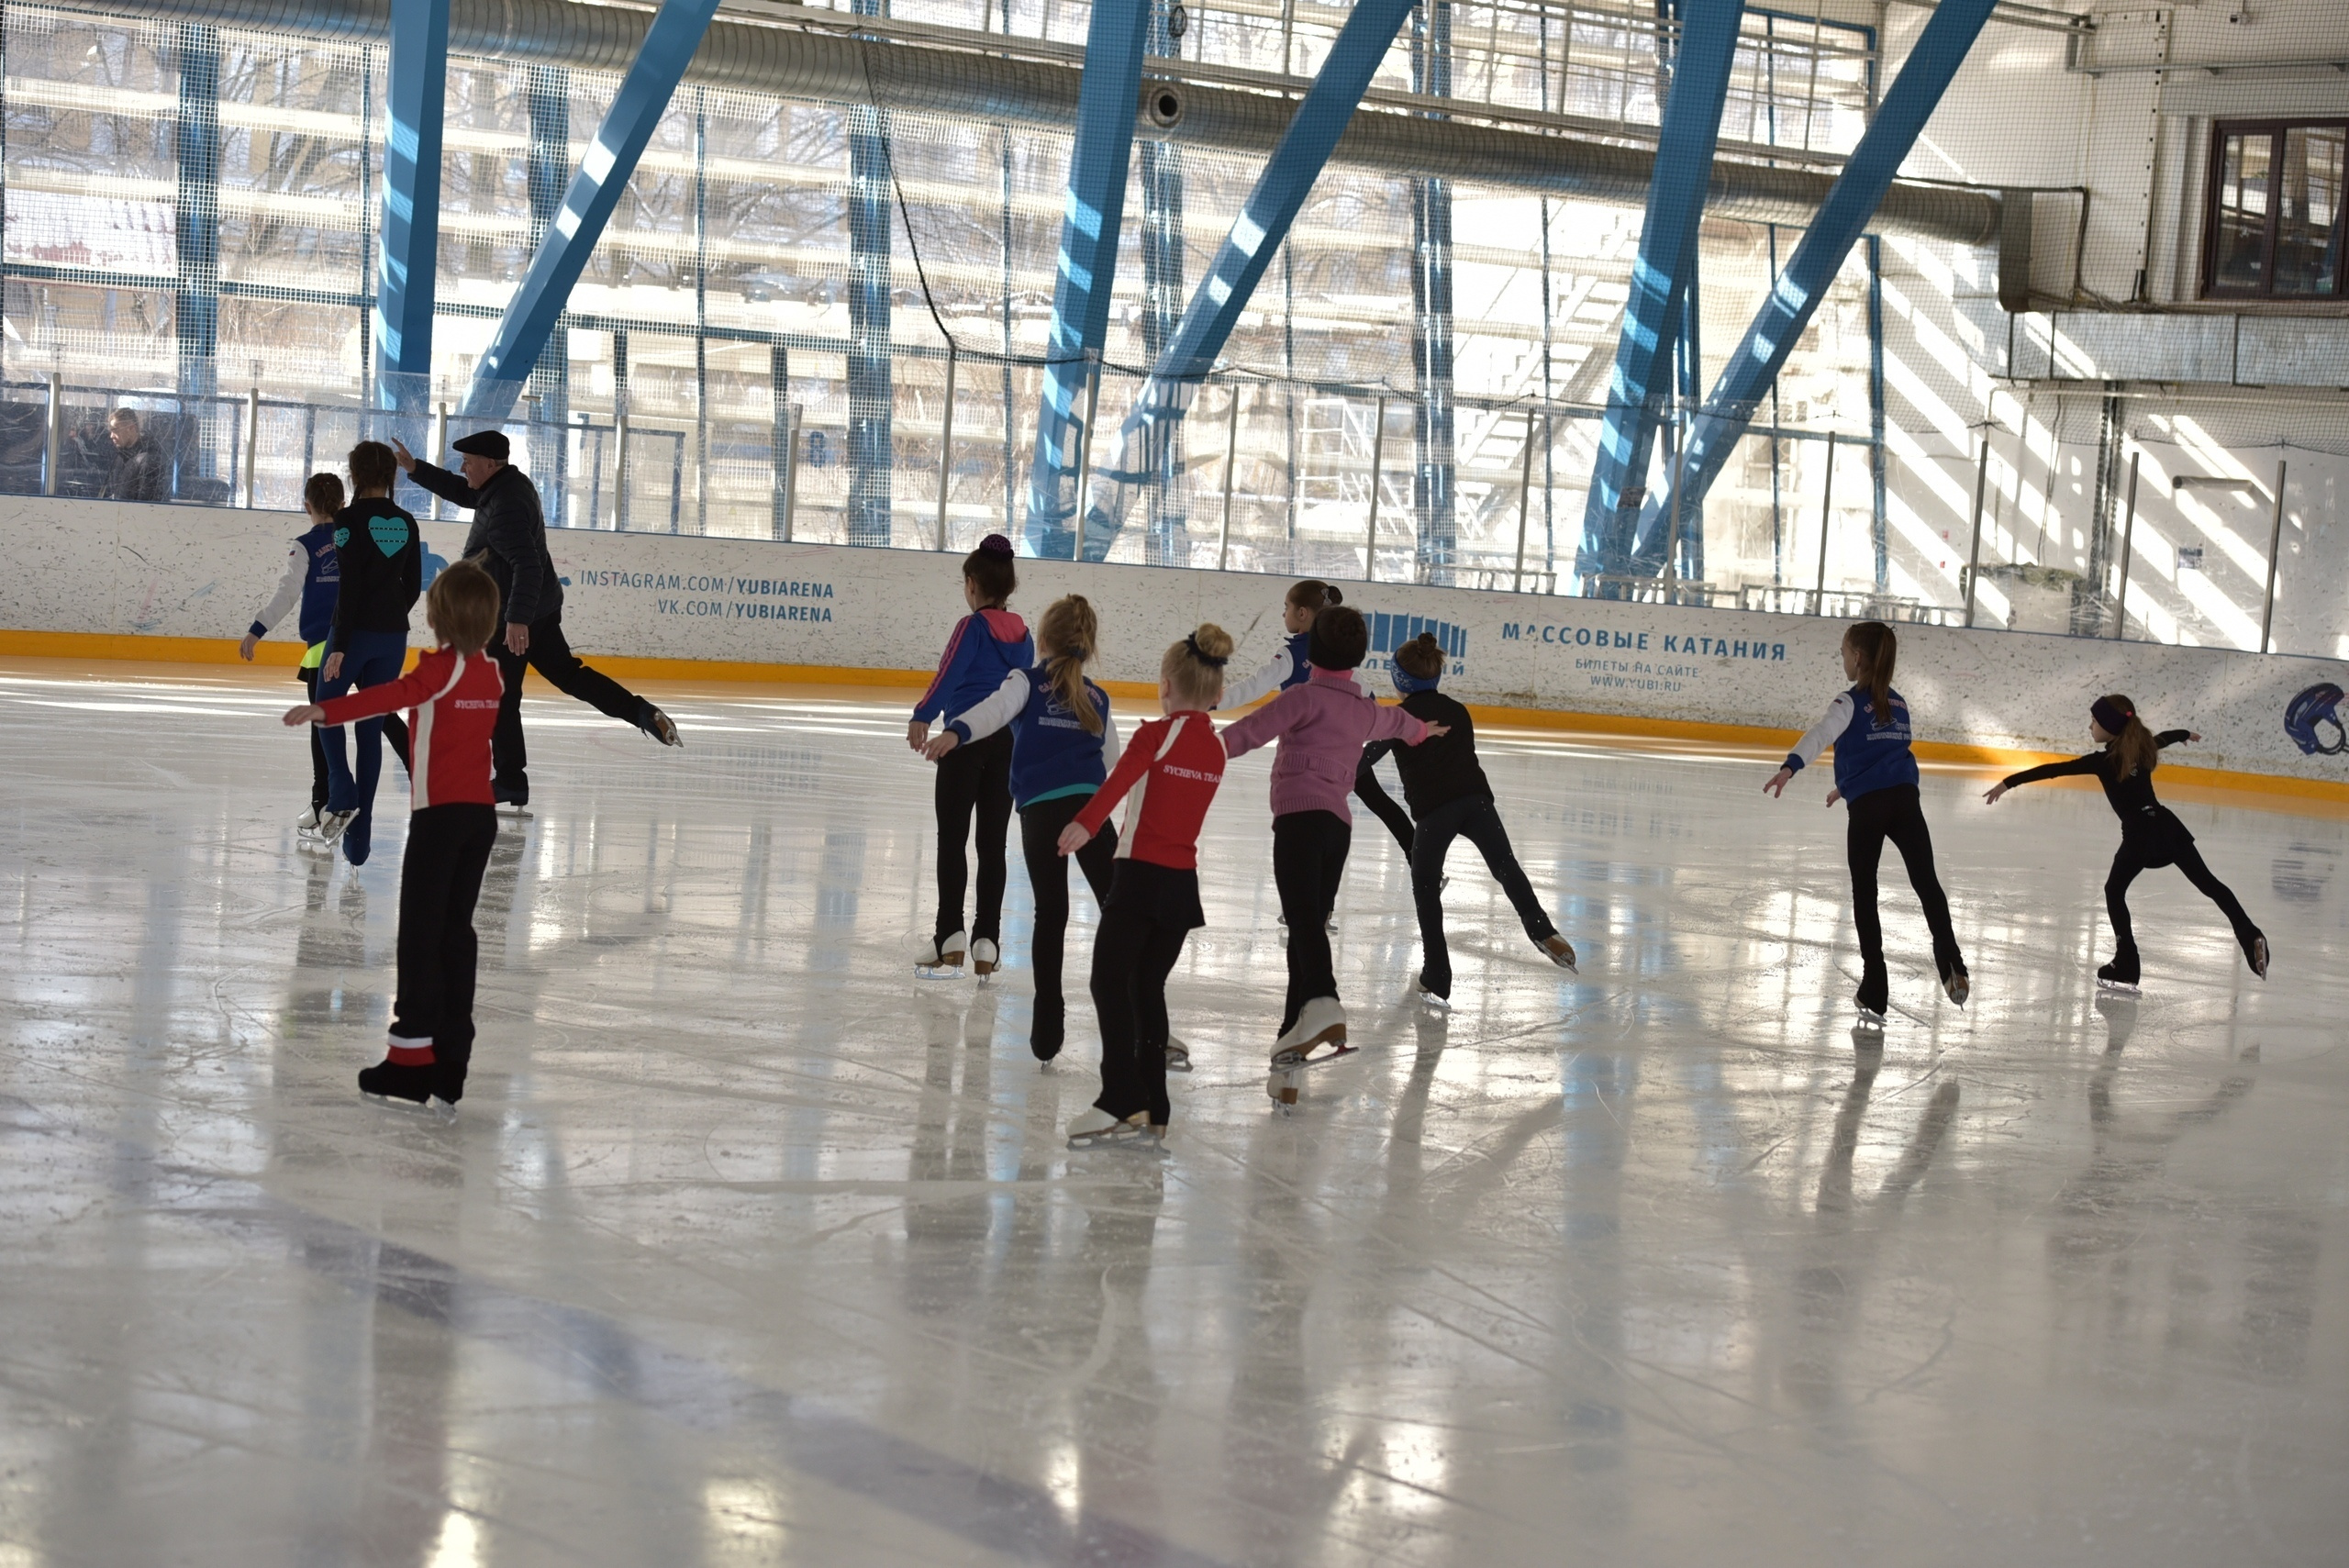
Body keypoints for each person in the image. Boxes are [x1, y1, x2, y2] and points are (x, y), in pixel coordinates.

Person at [282, 559, 506, 1112]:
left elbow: (385, 697)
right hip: (479, 819)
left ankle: (409, 1061)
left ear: (436, 616)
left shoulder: (442, 670)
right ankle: (452, 1060)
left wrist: (324, 709)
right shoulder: (490, 674)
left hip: (440, 820)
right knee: (456, 936)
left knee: (419, 939)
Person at [392, 428, 680, 806]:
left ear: (490, 464)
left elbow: (526, 563)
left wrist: (516, 620)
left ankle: (511, 780)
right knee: (568, 675)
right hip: (537, 608)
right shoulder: (507, 484)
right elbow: (465, 493)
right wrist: (417, 469)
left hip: (515, 614)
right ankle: (639, 711)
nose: (463, 468)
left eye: (469, 462)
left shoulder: (506, 506)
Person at [1219, 605, 1442, 1073]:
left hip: (1299, 821)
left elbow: (1245, 735)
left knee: (1302, 924)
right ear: (1359, 656)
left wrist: (1193, 747)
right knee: (1308, 928)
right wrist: (1424, 730)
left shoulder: (1301, 697)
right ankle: (1290, 1039)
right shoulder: (1363, 709)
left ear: (1311, 650)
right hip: (1336, 829)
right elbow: (1398, 723)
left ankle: (1324, 1000)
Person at [1055, 624, 1235, 1149]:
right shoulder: (1217, 750)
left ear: (1164, 685)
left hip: (1137, 879)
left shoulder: (1157, 735)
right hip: (1181, 889)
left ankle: (1119, 1099)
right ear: (1219, 693)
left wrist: (1085, 824)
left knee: (1108, 984)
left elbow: (1117, 783)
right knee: (1145, 988)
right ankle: (1155, 1106)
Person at [924, 594, 1120, 1062]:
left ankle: (1049, 1023)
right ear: (1087, 645)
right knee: (1118, 909)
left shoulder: (1025, 681)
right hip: (1092, 813)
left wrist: (957, 732)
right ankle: (1128, 1008)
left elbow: (992, 710)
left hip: (1045, 814)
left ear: (1043, 638)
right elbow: (1111, 761)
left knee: (1052, 915)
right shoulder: (1097, 696)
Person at [1984, 695, 2267, 989]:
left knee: (2113, 891)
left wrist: (2007, 783)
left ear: (2110, 726)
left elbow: (2054, 770)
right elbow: (2163, 738)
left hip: (2139, 834)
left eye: (2094, 721)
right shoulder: (2142, 748)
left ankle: (2127, 963)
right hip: (2167, 825)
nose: (2090, 726)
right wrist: (2184, 735)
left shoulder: (2104, 761)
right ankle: (2250, 934)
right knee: (2210, 884)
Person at [1764, 620, 1969, 1026]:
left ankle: (1876, 987)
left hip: (1870, 810)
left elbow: (1822, 734)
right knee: (1927, 883)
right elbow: (1887, 756)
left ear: (1858, 657)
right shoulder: (1900, 703)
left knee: (1865, 893)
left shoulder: (1848, 702)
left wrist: (1791, 766)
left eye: (1844, 653)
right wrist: (1848, 786)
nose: (1842, 660)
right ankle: (1952, 962)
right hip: (1905, 802)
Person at [1369, 631, 1577, 1006]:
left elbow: (1362, 763)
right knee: (1505, 865)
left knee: (1426, 887)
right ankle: (1541, 927)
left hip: (1435, 813)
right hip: (1477, 801)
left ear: (1399, 679)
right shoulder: (1458, 710)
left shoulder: (1397, 718)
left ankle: (1437, 973)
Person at [906, 535, 1032, 973]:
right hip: (1008, 747)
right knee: (992, 846)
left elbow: (950, 673)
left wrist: (923, 714)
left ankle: (949, 936)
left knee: (952, 841)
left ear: (972, 583)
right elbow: (1023, 694)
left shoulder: (971, 627)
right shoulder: (1024, 634)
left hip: (961, 742)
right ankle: (987, 942)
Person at [314, 441, 422, 867]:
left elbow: (351, 586)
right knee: (370, 727)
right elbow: (412, 586)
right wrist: (390, 615)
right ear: (391, 477)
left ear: (354, 475)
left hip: (353, 635)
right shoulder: (408, 522)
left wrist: (339, 645)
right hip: (393, 638)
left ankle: (341, 789)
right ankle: (360, 838)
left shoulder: (346, 520)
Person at [1218, 578, 1341, 710]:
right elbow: (1360, 688)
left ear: (1301, 613)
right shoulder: (1338, 651)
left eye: (1286, 607)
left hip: (1301, 729)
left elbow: (1256, 685)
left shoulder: (1291, 655)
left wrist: (1214, 701)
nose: (1284, 614)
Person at [102, 408, 169, 502]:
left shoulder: (148, 460)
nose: (111, 436)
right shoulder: (121, 456)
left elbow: (147, 504)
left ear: (131, 428)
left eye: (115, 430)